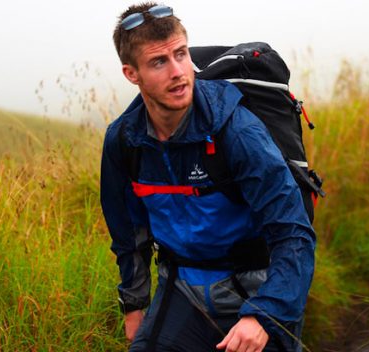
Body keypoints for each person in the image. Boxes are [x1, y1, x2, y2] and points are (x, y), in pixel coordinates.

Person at [100, 3, 316, 351]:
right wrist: (135, 304)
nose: (178, 72)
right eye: (159, 62)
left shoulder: (236, 130)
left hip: (259, 284)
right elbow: (129, 234)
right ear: (131, 73)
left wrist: (264, 313)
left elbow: (293, 232)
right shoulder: (125, 141)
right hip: (184, 290)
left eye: (181, 54)